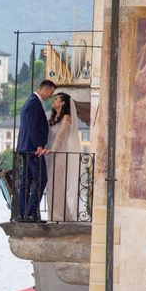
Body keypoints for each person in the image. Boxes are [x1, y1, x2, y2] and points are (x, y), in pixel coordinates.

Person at [16, 80, 56, 222]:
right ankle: (31, 212)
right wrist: (39, 145)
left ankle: (22, 213)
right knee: (41, 178)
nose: (50, 96)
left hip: (26, 147)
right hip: (32, 149)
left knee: (26, 181)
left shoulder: (30, 101)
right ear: (45, 89)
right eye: (51, 93)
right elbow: (33, 126)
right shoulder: (34, 103)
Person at [43, 92, 82, 221]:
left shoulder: (66, 118)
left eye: (56, 99)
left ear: (63, 103)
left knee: (56, 184)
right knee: (51, 184)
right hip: (50, 154)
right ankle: (57, 214)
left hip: (59, 154)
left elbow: (60, 137)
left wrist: (52, 150)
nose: (53, 101)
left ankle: (56, 216)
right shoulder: (53, 117)